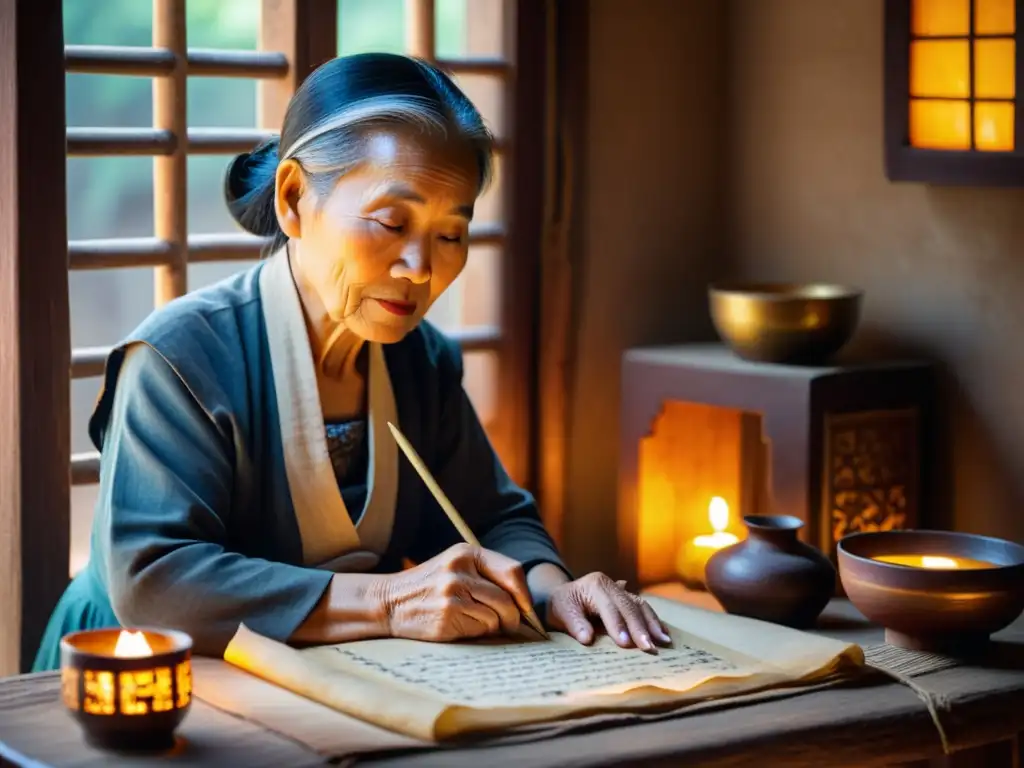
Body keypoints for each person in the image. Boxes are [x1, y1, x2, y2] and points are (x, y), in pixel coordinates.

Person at [33, 53, 669, 672]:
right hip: (133, 682)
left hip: (319, 679)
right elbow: (151, 582)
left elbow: (493, 513)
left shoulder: (420, 361)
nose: (421, 269)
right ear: (292, 199)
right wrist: (390, 600)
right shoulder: (182, 356)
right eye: (391, 223)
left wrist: (552, 590)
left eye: (450, 235)